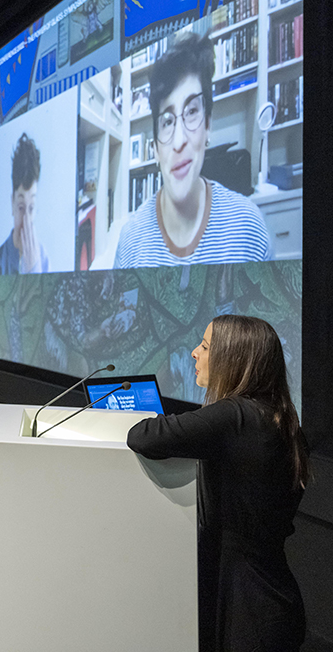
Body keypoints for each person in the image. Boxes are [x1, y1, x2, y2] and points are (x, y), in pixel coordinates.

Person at [127, 315, 308, 651]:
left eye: (206, 346)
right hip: (268, 599)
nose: (195, 353)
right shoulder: (280, 419)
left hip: (247, 612)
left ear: (233, 359)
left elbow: (145, 437)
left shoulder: (235, 416)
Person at [114, 32, 270, 267]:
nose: (179, 141)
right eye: (166, 122)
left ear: (207, 125)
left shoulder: (248, 229)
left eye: (192, 112)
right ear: (155, 147)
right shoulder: (130, 244)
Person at [0, 133, 48, 274]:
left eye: (31, 207)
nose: (26, 220)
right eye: (21, 207)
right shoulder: (0, 257)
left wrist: (33, 267)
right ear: (12, 203)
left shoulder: (43, 257)